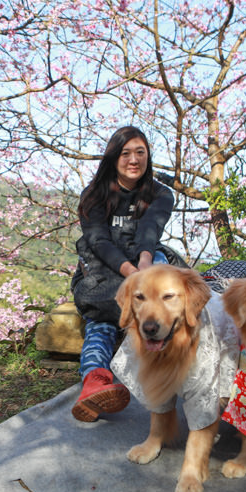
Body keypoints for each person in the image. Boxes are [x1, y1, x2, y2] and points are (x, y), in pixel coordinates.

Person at [70, 126, 175, 422]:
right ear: (114, 157)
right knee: (102, 318)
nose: (133, 159)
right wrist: (130, 275)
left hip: (143, 260)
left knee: (160, 270)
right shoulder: (94, 194)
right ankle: (95, 383)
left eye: (140, 152)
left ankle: (169, 368)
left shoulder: (160, 193)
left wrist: (143, 268)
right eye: (126, 153)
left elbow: (149, 232)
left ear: (148, 157)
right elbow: (98, 241)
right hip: (103, 267)